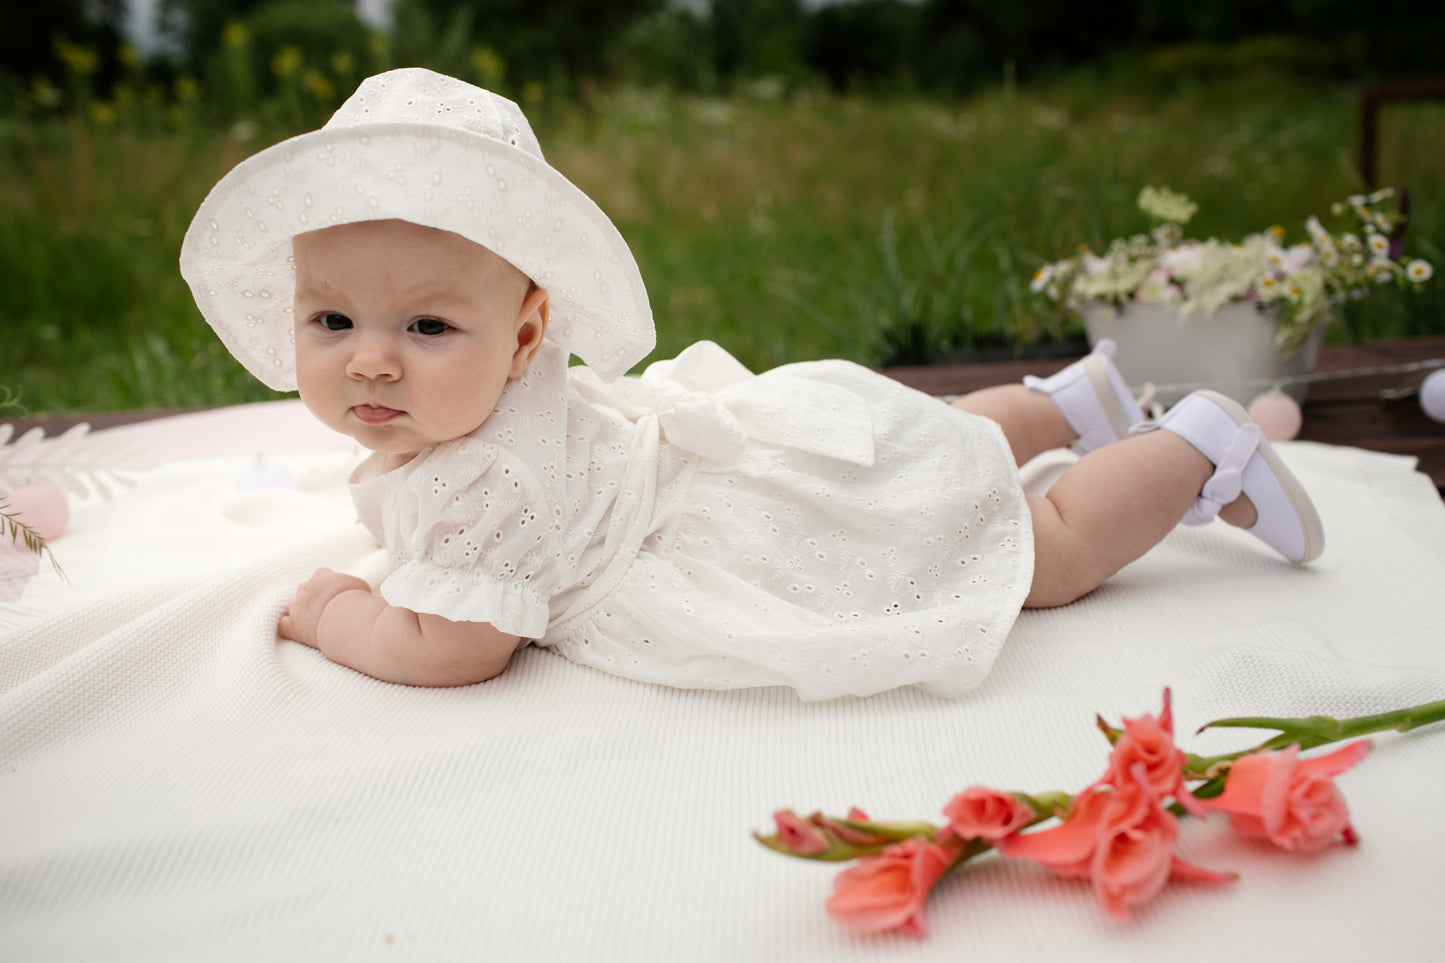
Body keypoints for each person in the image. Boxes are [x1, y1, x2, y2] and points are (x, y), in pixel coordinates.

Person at [180, 68, 1322, 701]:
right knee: (924, 442)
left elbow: (455, 647)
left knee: (1037, 548)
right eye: (331, 319)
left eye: (426, 325)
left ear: (527, 336)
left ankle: (1198, 449)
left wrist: (339, 615)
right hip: (741, 445)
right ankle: (1073, 403)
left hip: (737, 530)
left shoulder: (480, 486)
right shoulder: (489, 399)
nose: (368, 359)